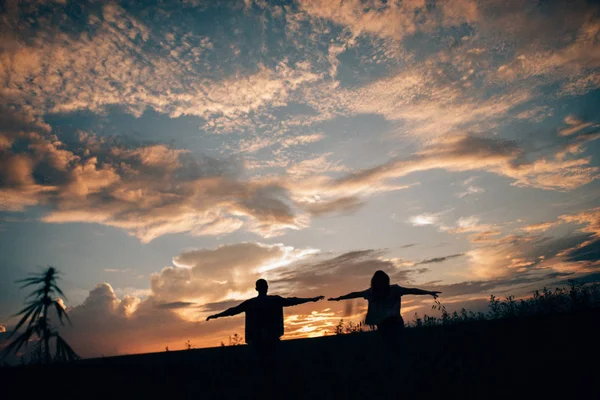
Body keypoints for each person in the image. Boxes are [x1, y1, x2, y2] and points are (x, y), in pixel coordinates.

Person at [206, 279, 324, 350]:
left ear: (256, 289)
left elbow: (232, 311)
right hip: (272, 340)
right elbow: (293, 301)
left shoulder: (250, 303)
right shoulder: (275, 300)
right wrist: (311, 299)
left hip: (256, 342)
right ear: (266, 288)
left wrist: (216, 315)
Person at [328, 270, 441, 342]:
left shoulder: (376, 292)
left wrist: (339, 298)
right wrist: (428, 292)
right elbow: (413, 290)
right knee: (394, 346)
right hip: (391, 324)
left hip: (389, 324)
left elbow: (354, 294)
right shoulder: (384, 291)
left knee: (390, 346)